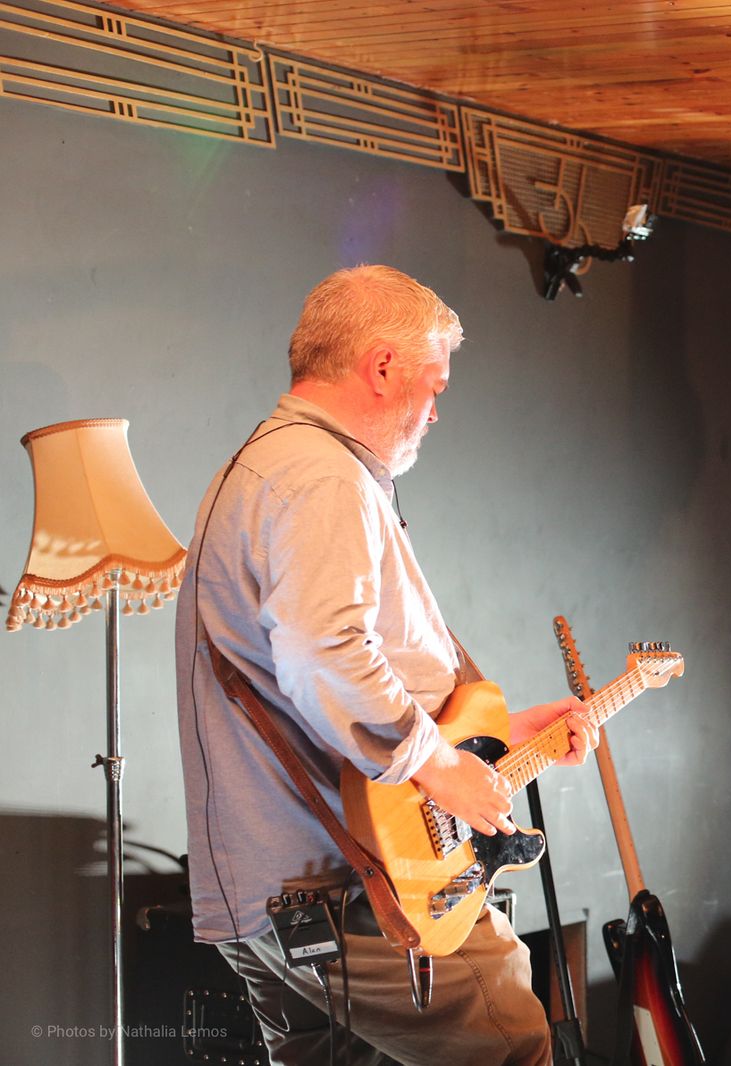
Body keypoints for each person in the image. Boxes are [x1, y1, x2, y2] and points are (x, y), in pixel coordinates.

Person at [174, 265, 596, 1066]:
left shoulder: (268, 465)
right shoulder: (322, 476)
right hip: (358, 888)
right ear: (380, 367)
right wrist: (439, 765)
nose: (435, 410)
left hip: (282, 894)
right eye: (433, 385)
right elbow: (324, 651)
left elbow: (312, 674)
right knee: (514, 1049)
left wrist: (498, 734)